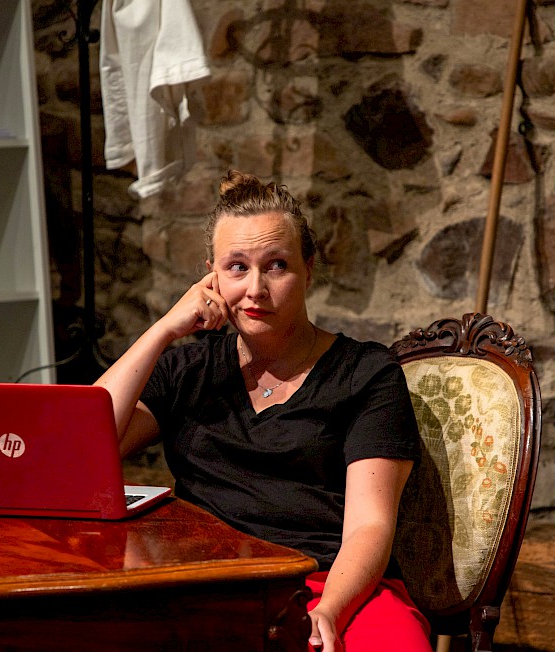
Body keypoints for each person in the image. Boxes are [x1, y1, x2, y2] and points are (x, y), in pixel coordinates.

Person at [96, 169, 432, 652]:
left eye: (276, 265)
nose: (255, 288)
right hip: (206, 585)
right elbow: (84, 450)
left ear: (308, 269)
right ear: (211, 275)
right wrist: (164, 328)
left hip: (332, 583)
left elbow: (369, 524)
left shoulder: (366, 374)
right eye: (236, 267)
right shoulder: (187, 369)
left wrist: (329, 611)